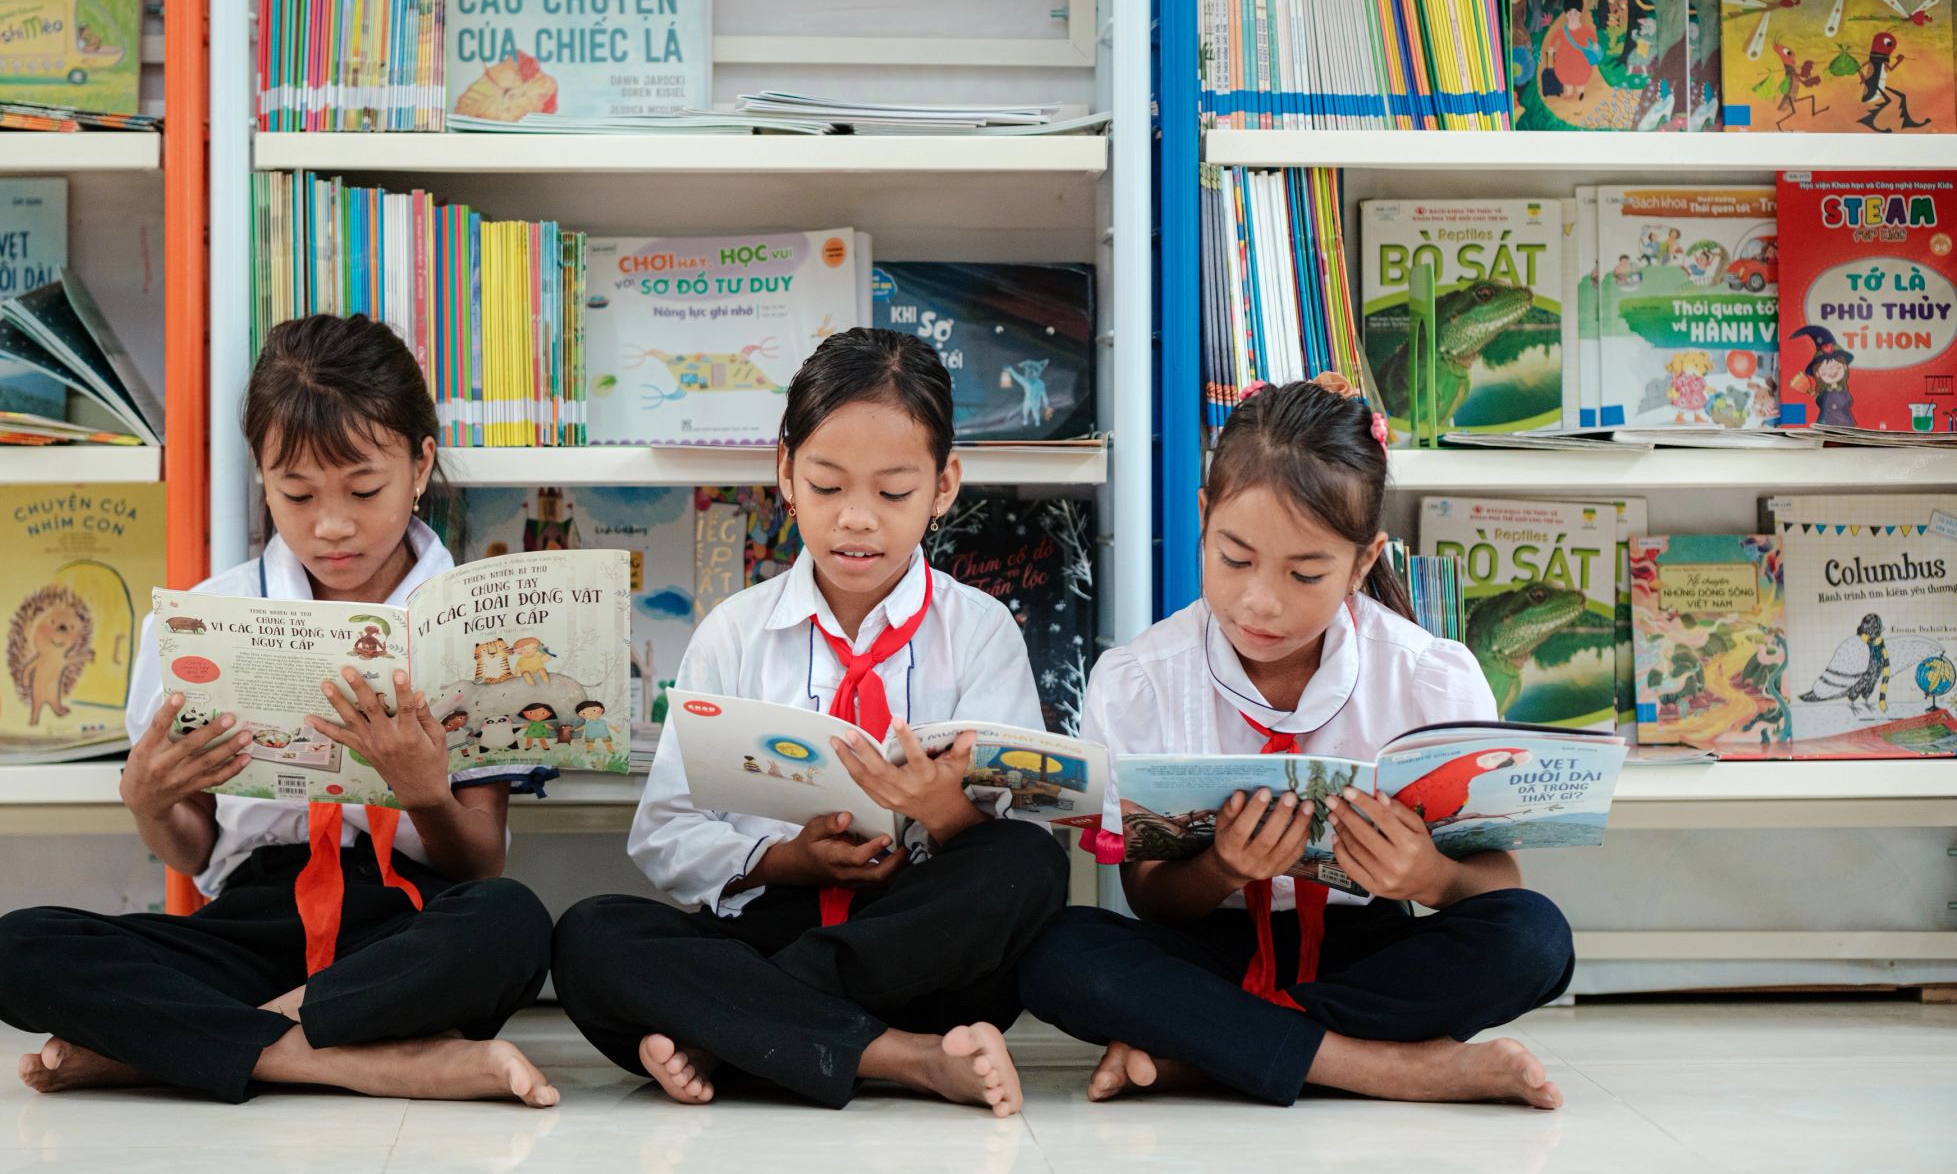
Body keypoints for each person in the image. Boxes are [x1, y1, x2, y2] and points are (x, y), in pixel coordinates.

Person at [0, 315, 557, 1106]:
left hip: (406, 917)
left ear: (420, 465)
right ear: (261, 474)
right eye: (296, 492)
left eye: (363, 489)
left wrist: (420, 789)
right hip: (252, 917)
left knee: (510, 924)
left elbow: (479, 860)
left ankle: (180, 1045)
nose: (332, 524)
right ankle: (352, 1058)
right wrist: (147, 801)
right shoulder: (203, 621)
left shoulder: (477, 624)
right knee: (17, 950)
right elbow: (191, 850)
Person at [1018, 378, 1575, 1110]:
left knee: (1535, 938)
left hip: (1366, 948)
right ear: (1203, 517)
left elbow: (1497, 883)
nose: (1260, 601)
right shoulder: (1139, 681)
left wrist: (1427, 876)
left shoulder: (1427, 677)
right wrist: (1220, 865)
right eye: (1234, 558)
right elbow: (1150, 899)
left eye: (1304, 573)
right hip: (1210, 945)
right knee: (1056, 953)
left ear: (1362, 559)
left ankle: (1210, 1050)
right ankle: (1389, 1069)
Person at [552, 329, 1070, 1116]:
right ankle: (906, 1057)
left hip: (918, 938)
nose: (857, 520)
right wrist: (787, 858)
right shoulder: (734, 629)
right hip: (773, 917)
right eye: (827, 487)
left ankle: (741, 1024)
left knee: (1029, 865)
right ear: (785, 473)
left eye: (893, 493)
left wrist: (938, 808)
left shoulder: (980, 628)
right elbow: (664, 831)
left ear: (943, 485)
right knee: (589, 936)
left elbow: (1020, 823)